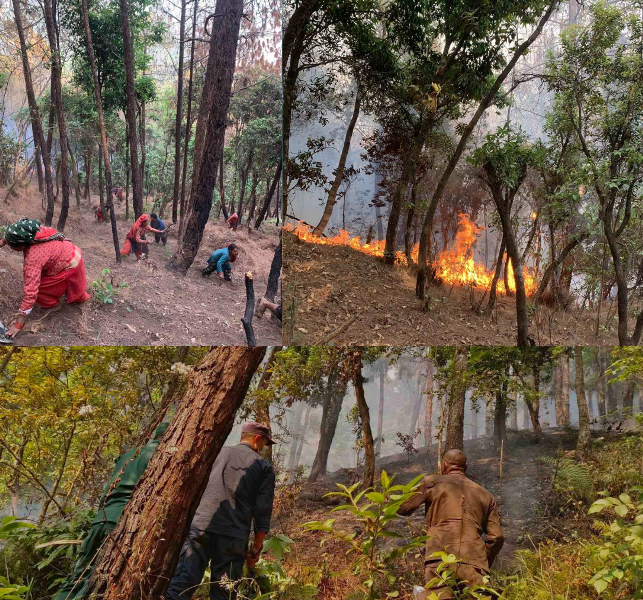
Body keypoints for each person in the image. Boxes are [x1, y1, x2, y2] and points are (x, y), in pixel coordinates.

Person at [53, 422, 169, 600]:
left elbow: (108, 490)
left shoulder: (129, 455)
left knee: (77, 578)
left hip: (101, 519)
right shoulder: (161, 455)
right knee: (99, 581)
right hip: (121, 523)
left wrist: (101, 514)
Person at [166, 423, 276, 600]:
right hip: (233, 536)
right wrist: (256, 547)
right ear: (257, 439)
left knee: (181, 585)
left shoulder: (217, 453)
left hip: (201, 527)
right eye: (264, 443)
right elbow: (263, 509)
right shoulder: (263, 467)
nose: (263, 448)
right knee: (223, 593)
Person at [397, 449, 504, 600]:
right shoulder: (486, 495)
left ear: (443, 465)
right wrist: (481, 559)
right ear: (465, 468)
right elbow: (497, 536)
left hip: (440, 560)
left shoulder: (432, 483)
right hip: (475, 564)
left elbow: (402, 508)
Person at [0, 218, 90, 339]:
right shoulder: (34, 231)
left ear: (21, 245)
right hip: (72, 251)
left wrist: (18, 324)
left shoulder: (33, 257)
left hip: (69, 264)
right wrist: (3, 241)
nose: (10, 247)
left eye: (12, 245)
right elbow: (16, 233)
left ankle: (53, 304)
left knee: (40, 289)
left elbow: (31, 293)